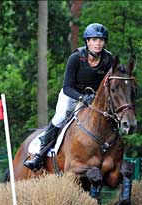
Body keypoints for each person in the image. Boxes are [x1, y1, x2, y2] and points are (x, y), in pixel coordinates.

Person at [24, 23, 113, 171]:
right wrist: (82, 98)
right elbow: (67, 87)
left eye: (101, 40)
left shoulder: (108, 59)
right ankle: (39, 154)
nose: (98, 43)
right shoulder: (76, 58)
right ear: (87, 41)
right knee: (59, 117)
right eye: (94, 40)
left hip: (94, 100)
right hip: (72, 96)